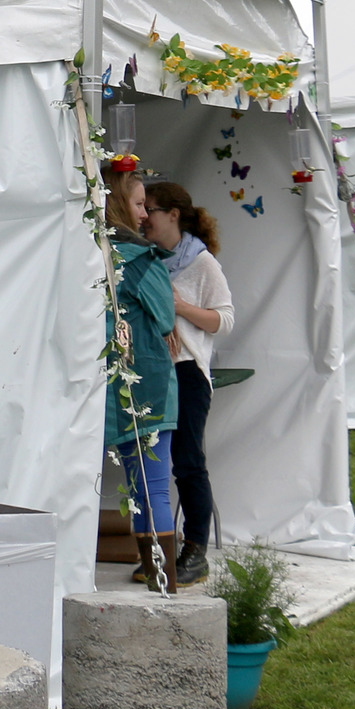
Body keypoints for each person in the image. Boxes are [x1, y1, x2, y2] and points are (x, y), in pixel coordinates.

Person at [144, 180, 231, 588]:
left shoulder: (200, 263)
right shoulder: (144, 260)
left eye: (152, 210)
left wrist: (177, 306)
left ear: (173, 215)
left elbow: (224, 319)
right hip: (155, 370)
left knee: (188, 462)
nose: (144, 217)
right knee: (152, 463)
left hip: (187, 371)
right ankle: (157, 552)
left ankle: (196, 548)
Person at [101, 166, 181, 585]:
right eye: (137, 204)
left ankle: (148, 569)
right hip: (146, 378)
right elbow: (166, 317)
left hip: (107, 383)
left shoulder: (90, 252)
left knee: (130, 486)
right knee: (154, 487)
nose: (145, 215)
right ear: (117, 204)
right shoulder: (140, 258)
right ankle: (161, 577)